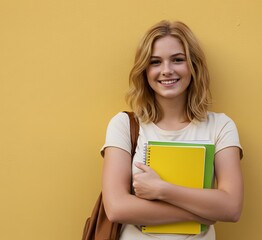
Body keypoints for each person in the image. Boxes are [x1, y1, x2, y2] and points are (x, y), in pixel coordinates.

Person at [100, 20, 243, 240]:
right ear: (144, 70)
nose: (167, 71)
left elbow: (231, 207)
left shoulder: (221, 126)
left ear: (193, 66)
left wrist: (161, 190)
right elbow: (117, 208)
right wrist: (202, 213)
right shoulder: (124, 125)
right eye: (155, 62)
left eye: (177, 60)